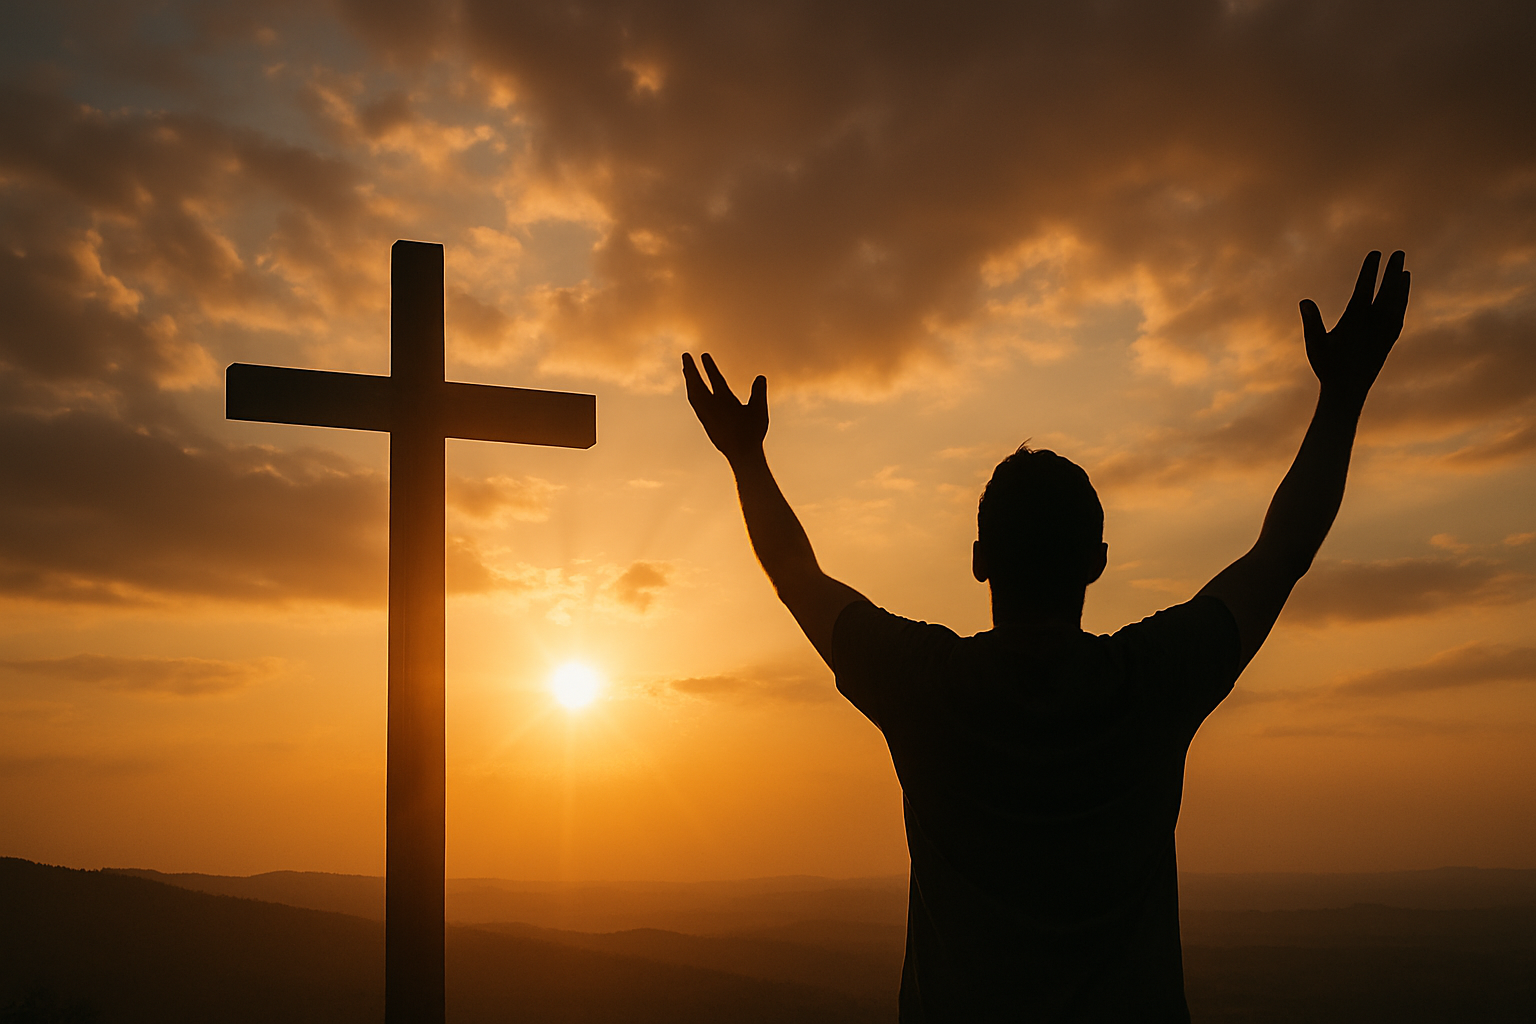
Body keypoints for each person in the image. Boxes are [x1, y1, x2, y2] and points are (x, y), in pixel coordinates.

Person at [682, 251, 1410, 1022]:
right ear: (1096, 564)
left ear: (978, 560)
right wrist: (1344, 395)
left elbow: (800, 579)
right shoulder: (1153, 679)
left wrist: (746, 456)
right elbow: (1281, 553)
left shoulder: (925, 685)